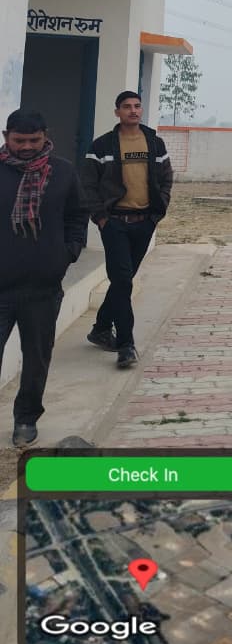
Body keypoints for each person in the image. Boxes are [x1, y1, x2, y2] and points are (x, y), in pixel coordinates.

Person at [0, 109, 86, 446]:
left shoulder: (62, 172)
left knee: (37, 360)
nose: (26, 147)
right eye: (19, 140)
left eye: (33, 140)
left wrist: (68, 253)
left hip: (42, 288)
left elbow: (77, 216)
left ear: (45, 136)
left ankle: (26, 419)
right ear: (6, 137)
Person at [79, 90, 173, 369]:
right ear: (117, 112)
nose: (133, 110)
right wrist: (101, 218)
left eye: (137, 106)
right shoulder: (101, 145)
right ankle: (126, 344)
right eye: (127, 106)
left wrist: (156, 214)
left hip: (144, 223)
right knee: (122, 281)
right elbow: (88, 184)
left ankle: (101, 328)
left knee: (123, 280)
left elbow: (166, 178)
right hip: (115, 223)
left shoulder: (155, 143)